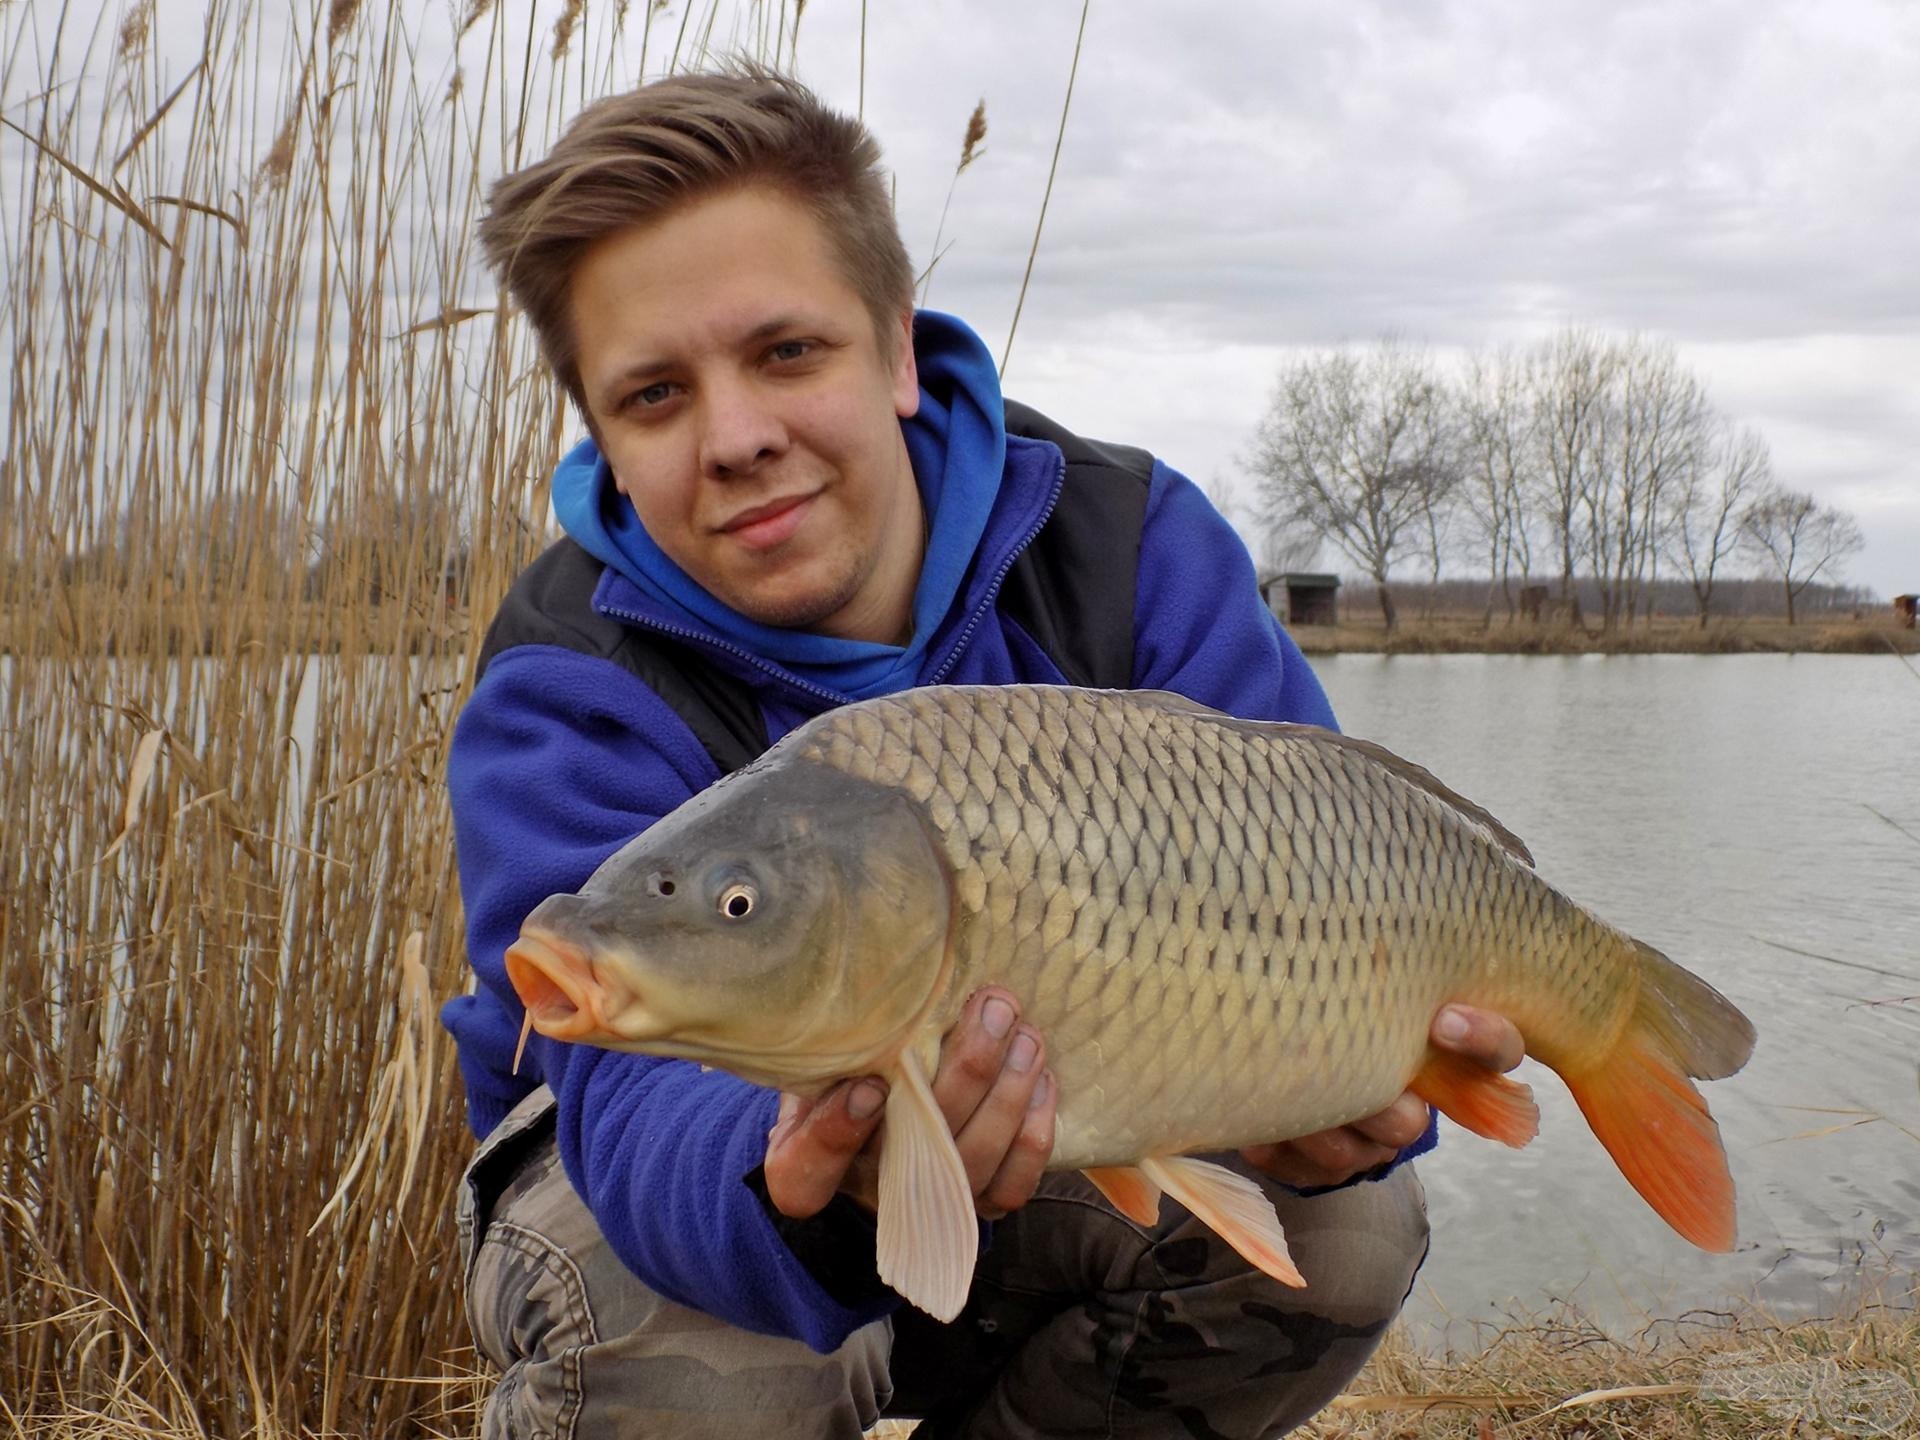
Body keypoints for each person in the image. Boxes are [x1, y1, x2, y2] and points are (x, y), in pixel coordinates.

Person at [444, 66, 1525, 1439]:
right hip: (655, 1188)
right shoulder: (566, 677)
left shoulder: (1129, 545)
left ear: (898, 349)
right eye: (654, 396)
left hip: (1079, 1112)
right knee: (714, 1399)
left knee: (1349, 1230)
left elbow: (1329, 898)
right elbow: (613, 1089)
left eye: (787, 352)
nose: (737, 438)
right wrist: (805, 1167)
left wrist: (1360, 1094)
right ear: (597, 431)